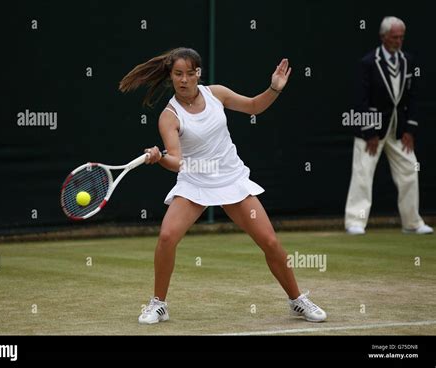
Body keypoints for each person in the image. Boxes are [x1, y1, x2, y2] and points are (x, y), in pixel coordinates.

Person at [119, 47, 327, 324]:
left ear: (198, 74)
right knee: (167, 237)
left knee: (269, 241)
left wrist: (274, 89)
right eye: (177, 74)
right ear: (171, 76)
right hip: (194, 182)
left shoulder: (216, 93)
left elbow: (254, 106)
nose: (183, 80)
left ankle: (297, 300)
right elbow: (177, 161)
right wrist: (160, 158)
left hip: (231, 179)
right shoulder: (169, 116)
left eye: (189, 74)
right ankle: (159, 304)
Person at [345, 17, 433, 235]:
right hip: (371, 131)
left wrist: (410, 130)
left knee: (410, 171)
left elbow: (412, 98)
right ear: (383, 37)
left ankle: (412, 223)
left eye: (402, 37)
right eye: (395, 37)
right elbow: (360, 100)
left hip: (398, 130)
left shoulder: (408, 61)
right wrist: (370, 132)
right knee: (363, 174)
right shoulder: (367, 62)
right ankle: (355, 222)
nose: (399, 41)